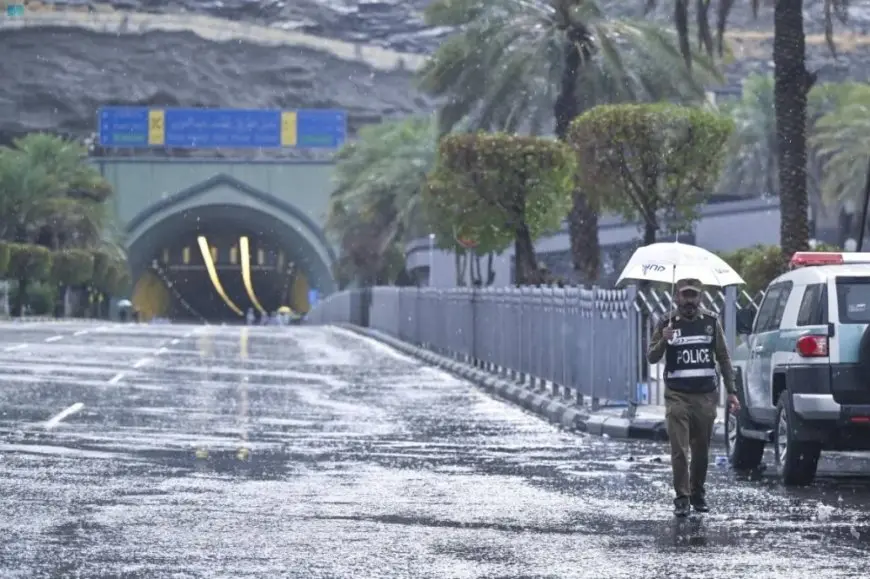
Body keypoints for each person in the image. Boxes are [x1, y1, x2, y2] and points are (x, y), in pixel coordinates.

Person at [647, 278, 741, 517]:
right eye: (684, 295)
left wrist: (732, 391)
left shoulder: (710, 321)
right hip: (677, 396)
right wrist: (663, 340)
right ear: (676, 297)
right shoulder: (666, 323)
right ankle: (682, 497)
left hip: (705, 397)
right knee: (679, 449)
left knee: (701, 449)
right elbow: (651, 356)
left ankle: (698, 492)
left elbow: (723, 357)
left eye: (694, 295)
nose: (689, 300)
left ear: (700, 298)